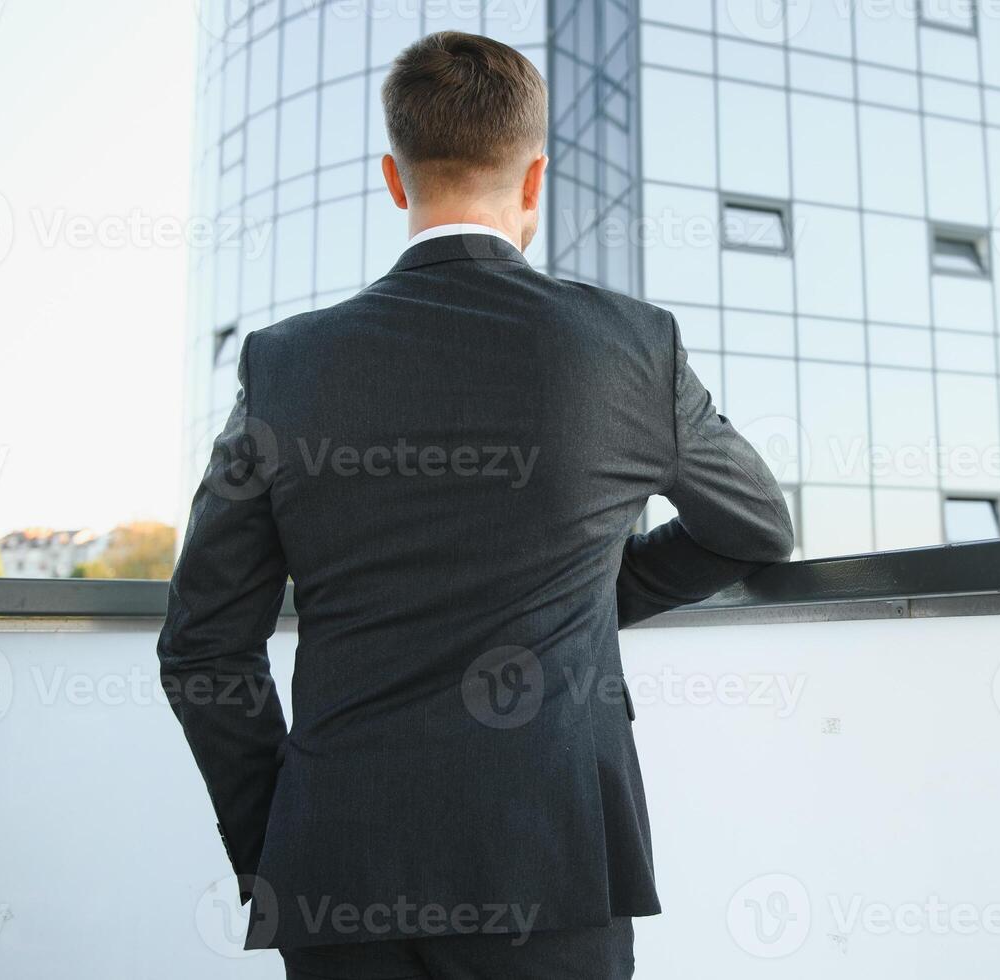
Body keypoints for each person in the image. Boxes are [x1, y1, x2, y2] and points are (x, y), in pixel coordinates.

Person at [158, 30, 793, 980]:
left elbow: (203, 643)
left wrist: (276, 840)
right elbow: (754, 528)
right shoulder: (627, 348)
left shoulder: (285, 366)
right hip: (553, 859)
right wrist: (606, 592)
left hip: (340, 870)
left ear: (393, 175)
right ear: (535, 179)